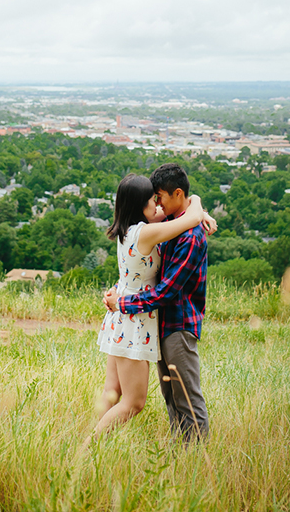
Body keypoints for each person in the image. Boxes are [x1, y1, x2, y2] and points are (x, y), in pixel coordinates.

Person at [102, 163, 213, 441]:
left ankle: (193, 457)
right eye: (154, 199)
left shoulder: (183, 235)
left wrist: (198, 210)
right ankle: (183, 454)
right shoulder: (152, 229)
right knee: (167, 396)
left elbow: (166, 292)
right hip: (148, 320)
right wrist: (197, 206)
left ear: (176, 194)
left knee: (182, 397)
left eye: (160, 196)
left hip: (171, 322)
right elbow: (188, 215)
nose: (158, 204)